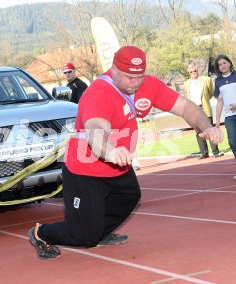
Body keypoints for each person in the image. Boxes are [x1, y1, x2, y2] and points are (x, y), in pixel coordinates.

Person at [28, 46, 223, 259]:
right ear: (114, 70)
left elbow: (185, 107)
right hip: (86, 168)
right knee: (85, 236)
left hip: (118, 163)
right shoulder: (98, 93)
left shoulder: (148, 85)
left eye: (140, 76)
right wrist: (110, 152)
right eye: (130, 77)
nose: (136, 83)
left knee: (129, 197)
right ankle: (41, 233)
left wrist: (206, 126)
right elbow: (95, 130)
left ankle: (99, 230)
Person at [184, 63, 223, 159]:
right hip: (194, 109)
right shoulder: (186, 83)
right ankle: (204, 152)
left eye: (195, 71)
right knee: (198, 132)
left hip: (204, 107)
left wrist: (204, 102)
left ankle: (215, 152)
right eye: (191, 71)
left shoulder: (206, 80)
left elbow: (210, 93)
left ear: (197, 70)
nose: (193, 72)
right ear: (189, 72)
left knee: (210, 129)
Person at [213, 54, 236, 179]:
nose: (222, 66)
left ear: (229, 63)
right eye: (219, 65)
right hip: (229, 117)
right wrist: (217, 120)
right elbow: (220, 101)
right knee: (233, 143)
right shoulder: (218, 81)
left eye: (224, 63)